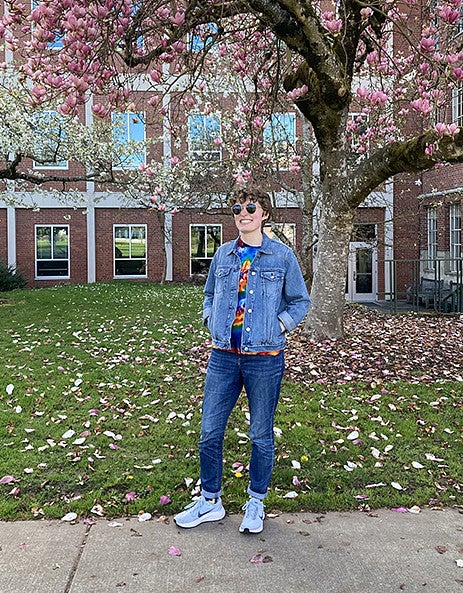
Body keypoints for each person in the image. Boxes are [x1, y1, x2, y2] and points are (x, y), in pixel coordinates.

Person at [174, 185, 310, 534]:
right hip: (223, 356)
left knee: (260, 434)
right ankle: (210, 501)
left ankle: (256, 501)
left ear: (264, 213)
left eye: (250, 207)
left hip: (264, 358)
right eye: (237, 208)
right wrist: (210, 319)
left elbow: (300, 301)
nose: (243, 213)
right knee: (208, 432)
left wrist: (278, 325)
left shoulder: (282, 257)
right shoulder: (223, 255)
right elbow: (208, 295)